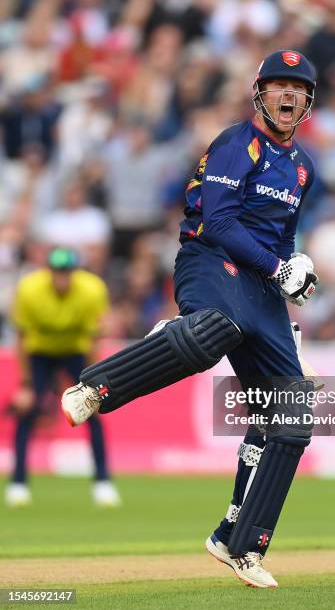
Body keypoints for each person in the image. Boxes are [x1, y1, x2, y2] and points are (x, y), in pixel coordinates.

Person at [62, 50, 318, 587]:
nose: (287, 97)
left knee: (291, 418)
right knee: (215, 330)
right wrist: (278, 267)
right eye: (278, 88)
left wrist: (294, 272)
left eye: (297, 90)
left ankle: (237, 542)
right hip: (210, 258)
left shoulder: (301, 167)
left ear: (308, 103)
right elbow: (221, 222)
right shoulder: (235, 144)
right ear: (260, 94)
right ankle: (96, 387)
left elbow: (284, 237)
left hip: (263, 288)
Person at [5, 247, 121, 508]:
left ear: (74, 272)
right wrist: (25, 384)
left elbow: (93, 339)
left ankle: (103, 481)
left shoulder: (92, 290)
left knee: (92, 411)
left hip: (75, 352)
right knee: (28, 410)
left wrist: (91, 383)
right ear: (49, 272)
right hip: (40, 353)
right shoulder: (30, 290)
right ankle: (18, 482)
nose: (62, 279)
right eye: (57, 273)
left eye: (66, 273)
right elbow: (21, 339)